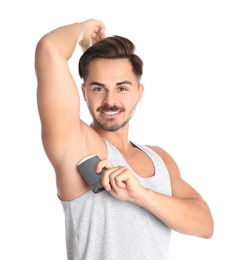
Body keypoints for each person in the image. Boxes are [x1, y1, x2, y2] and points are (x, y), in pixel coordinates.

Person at [35, 19, 214, 260]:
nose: (110, 100)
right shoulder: (76, 144)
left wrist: (141, 195)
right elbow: (49, 48)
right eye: (98, 88)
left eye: (122, 88)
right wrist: (83, 31)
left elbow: (205, 225)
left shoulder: (159, 158)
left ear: (139, 93)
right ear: (84, 92)